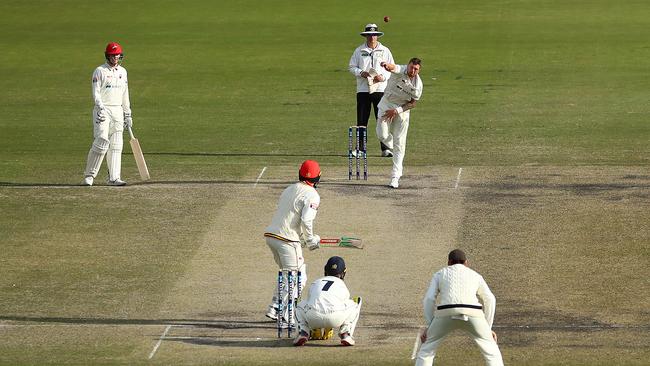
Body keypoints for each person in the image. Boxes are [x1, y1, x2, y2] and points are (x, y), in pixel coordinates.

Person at [414, 249, 504, 366]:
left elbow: (429, 299)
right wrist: (488, 327)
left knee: (426, 350)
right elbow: (490, 299)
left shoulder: (440, 274)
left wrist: (430, 326)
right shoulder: (476, 275)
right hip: (473, 312)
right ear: (466, 262)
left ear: (449, 262)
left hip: (445, 312)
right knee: (492, 352)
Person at [264, 160, 322, 322]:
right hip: (287, 240)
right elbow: (306, 220)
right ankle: (285, 315)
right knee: (299, 276)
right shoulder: (312, 195)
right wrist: (310, 240)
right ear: (318, 177)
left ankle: (275, 307)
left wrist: (303, 239)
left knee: (287, 273)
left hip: (272, 236)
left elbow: (290, 218)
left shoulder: (289, 188)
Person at [82, 42, 133, 186]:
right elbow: (96, 93)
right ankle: (89, 175)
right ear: (107, 56)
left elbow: (125, 94)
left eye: (117, 55)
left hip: (118, 110)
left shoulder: (123, 72)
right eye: (112, 55)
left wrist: (127, 114)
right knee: (102, 141)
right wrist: (100, 108)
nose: (115, 58)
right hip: (103, 110)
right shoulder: (99, 71)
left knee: (117, 143)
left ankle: (114, 178)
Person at [293, 256, 361, 347]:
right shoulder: (341, 284)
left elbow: (310, 303)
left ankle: (303, 331)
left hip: (313, 317)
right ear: (344, 272)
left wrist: (315, 327)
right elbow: (342, 304)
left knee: (298, 303)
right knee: (356, 302)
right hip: (336, 318)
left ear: (325, 270)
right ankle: (345, 333)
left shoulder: (316, 282)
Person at [348, 23, 395, 157]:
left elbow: (391, 69)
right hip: (363, 90)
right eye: (369, 35)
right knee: (362, 120)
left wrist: (383, 77)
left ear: (377, 36)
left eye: (374, 35)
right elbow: (351, 67)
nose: (372, 37)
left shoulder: (385, 51)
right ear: (366, 36)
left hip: (380, 90)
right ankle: (361, 149)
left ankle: (386, 148)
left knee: (382, 119)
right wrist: (361, 73)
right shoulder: (359, 51)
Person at [377, 58, 423, 189]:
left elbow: (413, 103)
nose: (412, 71)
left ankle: (395, 176)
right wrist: (386, 65)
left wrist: (397, 111)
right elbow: (393, 67)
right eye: (411, 67)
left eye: (416, 69)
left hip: (401, 111)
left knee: (400, 143)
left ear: (419, 70)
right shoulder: (400, 70)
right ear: (407, 66)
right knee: (382, 135)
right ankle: (391, 144)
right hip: (386, 105)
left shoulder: (418, 84)